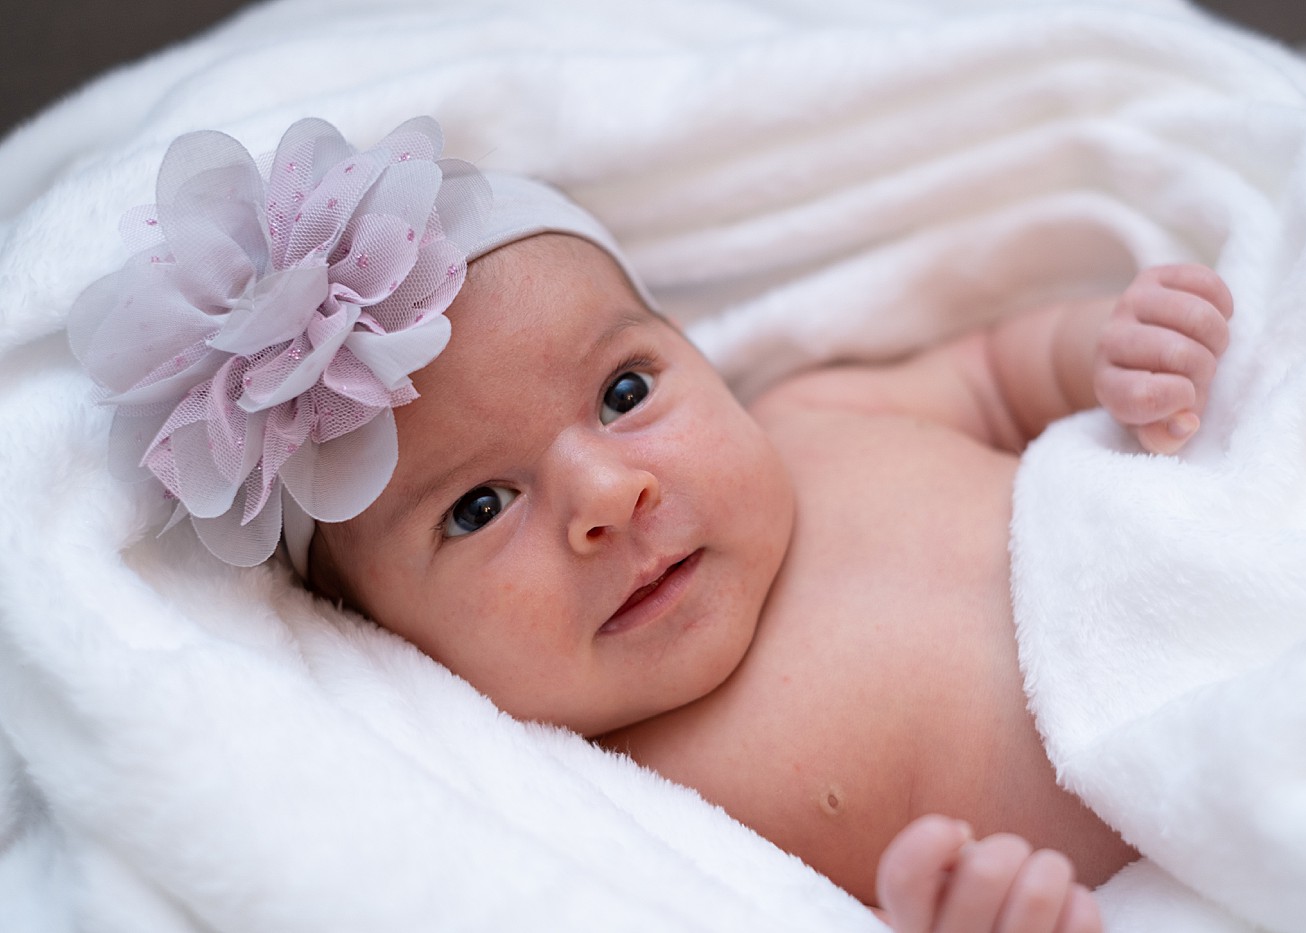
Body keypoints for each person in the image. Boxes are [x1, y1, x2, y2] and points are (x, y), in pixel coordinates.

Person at [71, 117, 1232, 933]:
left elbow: (990, 373)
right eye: (477, 509)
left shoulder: (814, 418)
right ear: (395, 645)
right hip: (1213, 797)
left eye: (623, 393)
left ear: (689, 350)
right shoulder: (628, 797)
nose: (604, 495)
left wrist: (1105, 352)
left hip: (1236, 562)